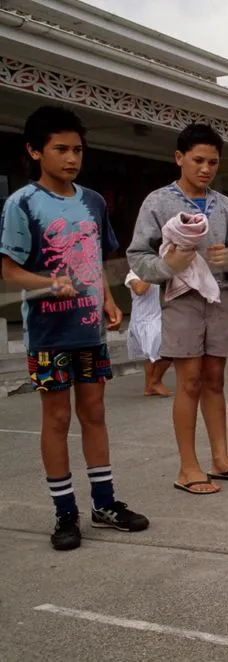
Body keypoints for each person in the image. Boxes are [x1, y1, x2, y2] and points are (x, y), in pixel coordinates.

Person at [0, 106, 148, 550]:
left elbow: (97, 259)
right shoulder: (21, 203)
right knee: (58, 417)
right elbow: (8, 270)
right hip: (48, 335)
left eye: (77, 150)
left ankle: (105, 504)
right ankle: (65, 513)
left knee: (95, 413)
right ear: (34, 150)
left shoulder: (94, 201)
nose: (71, 158)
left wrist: (106, 300)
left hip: (89, 332)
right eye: (60, 149)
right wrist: (48, 283)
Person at [127, 123, 228, 495]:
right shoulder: (158, 202)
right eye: (198, 160)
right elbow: (137, 255)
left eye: (213, 162)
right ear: (179, 158)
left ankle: (220, 458)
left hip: (220, 297)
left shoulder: (226, 206)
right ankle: (188, 467)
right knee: (190, 380)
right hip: (179, 298)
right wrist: (169, 266)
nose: (206, 168)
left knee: (215, 378)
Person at [124, 270, 173, 397]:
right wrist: (151, 269)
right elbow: (140, 289)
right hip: (145, 320)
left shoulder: (161, 270)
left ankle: (149, 387)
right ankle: (155, 382)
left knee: (153, 357)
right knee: (167, 352)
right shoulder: (133, 274)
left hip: (159, 317)